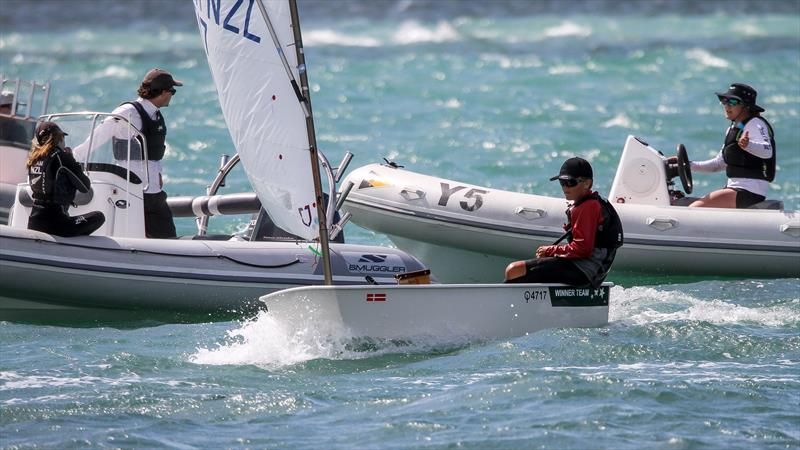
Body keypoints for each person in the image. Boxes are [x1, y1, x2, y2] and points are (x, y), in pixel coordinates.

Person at [74, 68, 182, 238]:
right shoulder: (128, 112)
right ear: (162, 92)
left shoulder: (155, 114)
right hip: (132, 189)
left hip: (153, 192)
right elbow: (97, 137)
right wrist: (72, 159)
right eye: (172, 91)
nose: (172, 96)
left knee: (168, 237)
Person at [504, 157, 623, 287]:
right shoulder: (593, 203)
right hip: (593, 272)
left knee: (514, 269)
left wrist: (550, 250)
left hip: (584, 271)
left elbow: (582, 249)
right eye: (562, 182)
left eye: (570, 182)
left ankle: (507, 302)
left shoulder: (587, 207)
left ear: (587, 184)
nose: (565, 187)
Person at [683, 83, 775, 208]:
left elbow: (767, 151)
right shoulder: (734, 129)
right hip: (735, 189)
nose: (726, 106)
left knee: (694, 209)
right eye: (724, 101)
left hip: (749, 191)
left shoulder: (755, 123)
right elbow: (718, 164)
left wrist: (748, 145)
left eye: (732, 101)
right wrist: (687, 166)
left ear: (746, 106)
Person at [26, 122, 105, 237]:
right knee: (98, 216)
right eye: (63, 137)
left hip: (34, 223)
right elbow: (85, 186)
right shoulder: (62, 157)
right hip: (57, 225)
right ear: (59, 138)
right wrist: (71, 159)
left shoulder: (33, 159)